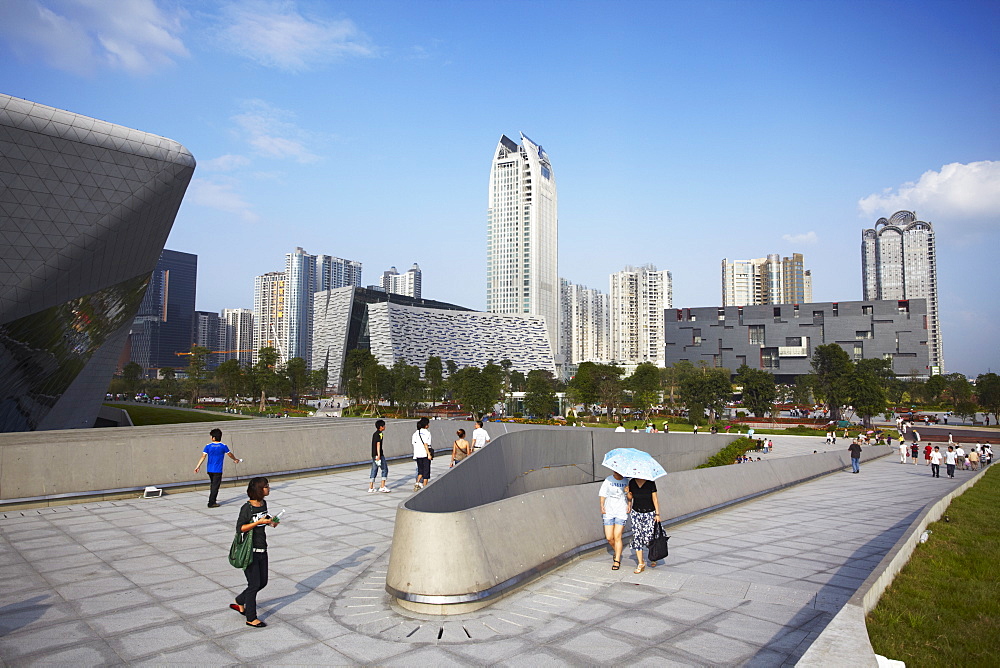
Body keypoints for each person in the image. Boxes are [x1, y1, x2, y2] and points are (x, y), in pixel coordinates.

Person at [232, 477, 278, 628]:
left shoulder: (263, 503)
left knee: (262, 582)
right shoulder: (247, 508)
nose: (268, 488)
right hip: (250, 551)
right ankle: (251, 617)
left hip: (262, 548)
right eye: (266, 486)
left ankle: (240, 600)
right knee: (254, 584)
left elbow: (265, 518)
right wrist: (258, 522)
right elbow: (240, 528)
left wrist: (271, 522)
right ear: (259, 489)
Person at [194, 428, 240, 508]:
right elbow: (229, 454)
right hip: (218, 470)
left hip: (209, 469)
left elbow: (203, 456)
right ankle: (211, 502)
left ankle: (212, 500)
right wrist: (235, 459)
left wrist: (198, 466)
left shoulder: (208, 446)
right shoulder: (223, 446)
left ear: (213, 438)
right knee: (215, 486)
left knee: (213, 485)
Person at [626, 477, 661, 573]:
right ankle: (641, 563)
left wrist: (657, 514)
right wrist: (628, 492)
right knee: (637, 537)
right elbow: (630, 498)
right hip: (636, 513)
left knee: (648, 538)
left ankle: (653, 556)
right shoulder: (632, 482)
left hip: (649, 513)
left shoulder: (650, 482)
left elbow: (655, 499)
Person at [599, 471, 630, 571]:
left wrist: (627, 493)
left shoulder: (626, 481)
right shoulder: (608, 480)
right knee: (609, 537)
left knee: (617, 536)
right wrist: (602, 505)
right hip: (609, 510)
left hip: (621, 511)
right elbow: (603, 494)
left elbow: (630, 497)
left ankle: (617, 560)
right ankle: (617, 551)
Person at [368, 420, 390, 493]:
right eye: (384, 425)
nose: (385, 427)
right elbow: (378, 444)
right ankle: (382, 486)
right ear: (381, 427)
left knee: (374, 470)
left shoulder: (375, 433)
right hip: (378, 455)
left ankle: (371, 487)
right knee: (385, 469)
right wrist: (379, 455)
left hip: (374, 454)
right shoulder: (379, 434)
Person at [412, 417, 433, 491]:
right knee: (426, 471)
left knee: (420, 470)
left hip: (417, 454)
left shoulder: (415, 433)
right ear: (426, 425)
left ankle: (417, 483)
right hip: (425, 454)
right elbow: (426, 444)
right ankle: (425, 488)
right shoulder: (427, 433)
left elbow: (414, 443)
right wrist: (429, 454)